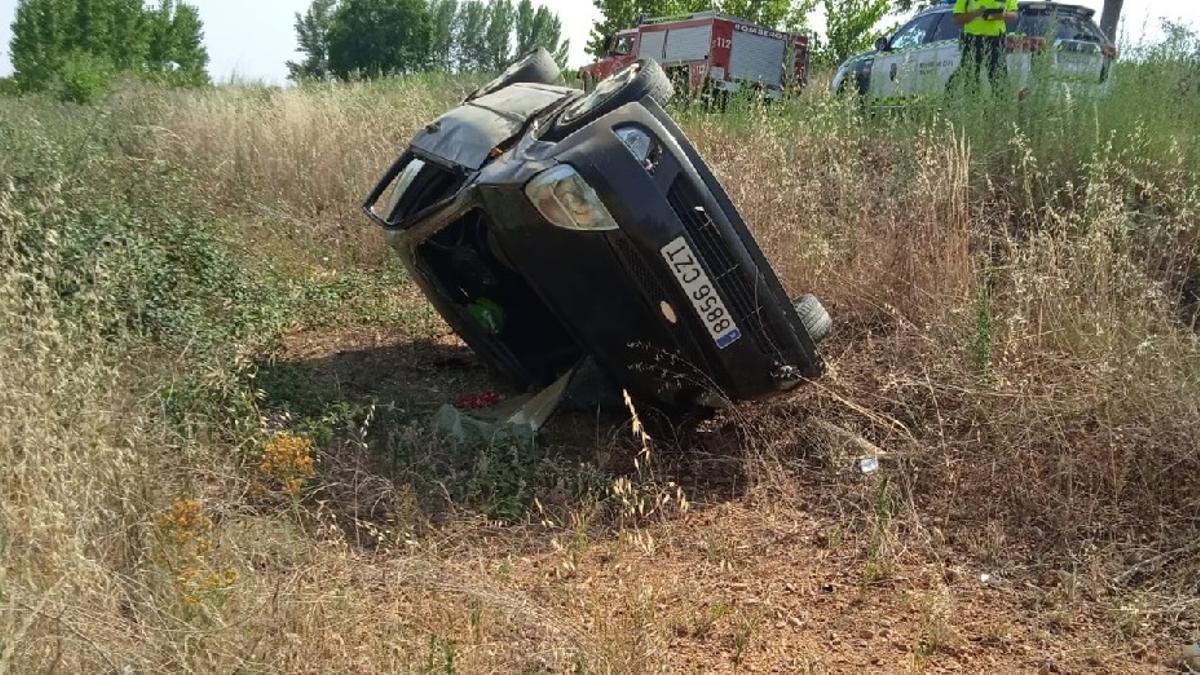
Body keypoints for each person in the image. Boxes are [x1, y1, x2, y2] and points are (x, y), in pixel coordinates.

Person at [952, 0, 1018, 90]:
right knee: (971, 77)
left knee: (999, 80)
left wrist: (1002, 15)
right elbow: (957, 19)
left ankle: (1001, 102)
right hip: (973, 40)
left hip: (996, 40)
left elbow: (1015, 15)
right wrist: (976, 13)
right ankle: (969, 100)